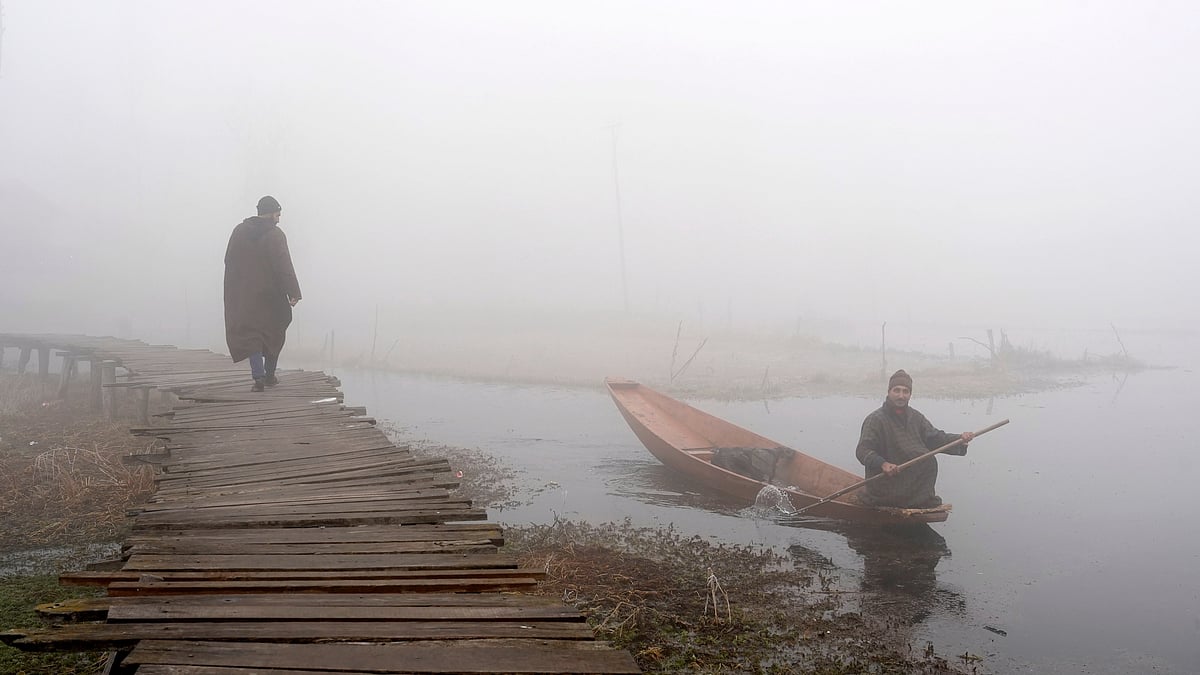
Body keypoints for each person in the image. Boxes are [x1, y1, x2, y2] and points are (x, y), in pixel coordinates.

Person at [854, 370, 974, 508]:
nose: (901, 396)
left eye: (905, 391)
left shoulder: (916, 417)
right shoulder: (875, 419)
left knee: (929, 460)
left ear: (910, 394)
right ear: (889, 392)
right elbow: (862, 450)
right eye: (896, 390)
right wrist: (883, 464)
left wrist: (960, 439)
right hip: (886, 485)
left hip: (911, 484)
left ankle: (918, 500)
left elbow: (934, 438)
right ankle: (900, 502)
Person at [223, 195, 302, 392]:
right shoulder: (276, 235)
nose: (278, 219)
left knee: (252, 335)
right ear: (270, 213)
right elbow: (284, 266)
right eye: (277, 214)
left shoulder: (239, 232)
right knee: (274, 331)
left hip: (246, 295)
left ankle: (258, 377)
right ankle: (269, 376)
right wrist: (293, 291)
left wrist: (238, 286)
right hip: (271, 295)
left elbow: (228, 261)